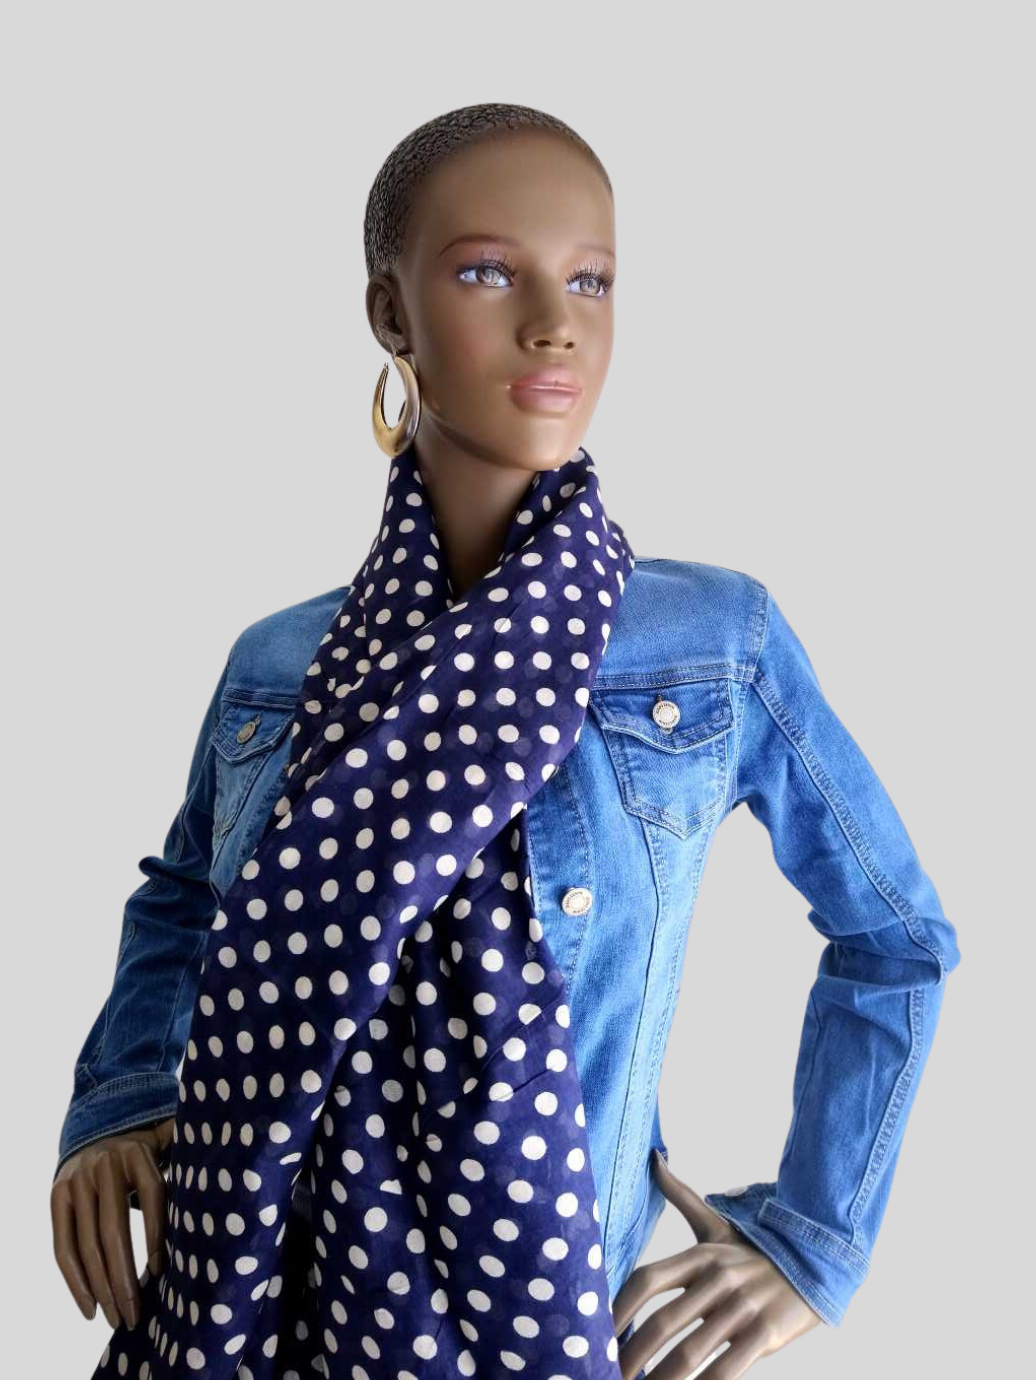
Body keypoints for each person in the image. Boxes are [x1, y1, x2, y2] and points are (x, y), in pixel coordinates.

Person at [51, 103, 961, 1379]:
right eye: (488, 273)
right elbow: (184, 900)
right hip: (237, 1317)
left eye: (591, 280)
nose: (555, 323)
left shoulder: (714, 645)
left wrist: (814, 1239)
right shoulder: (279, 663)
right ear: (390, 312)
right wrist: (120, 1101)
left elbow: (897, 938)